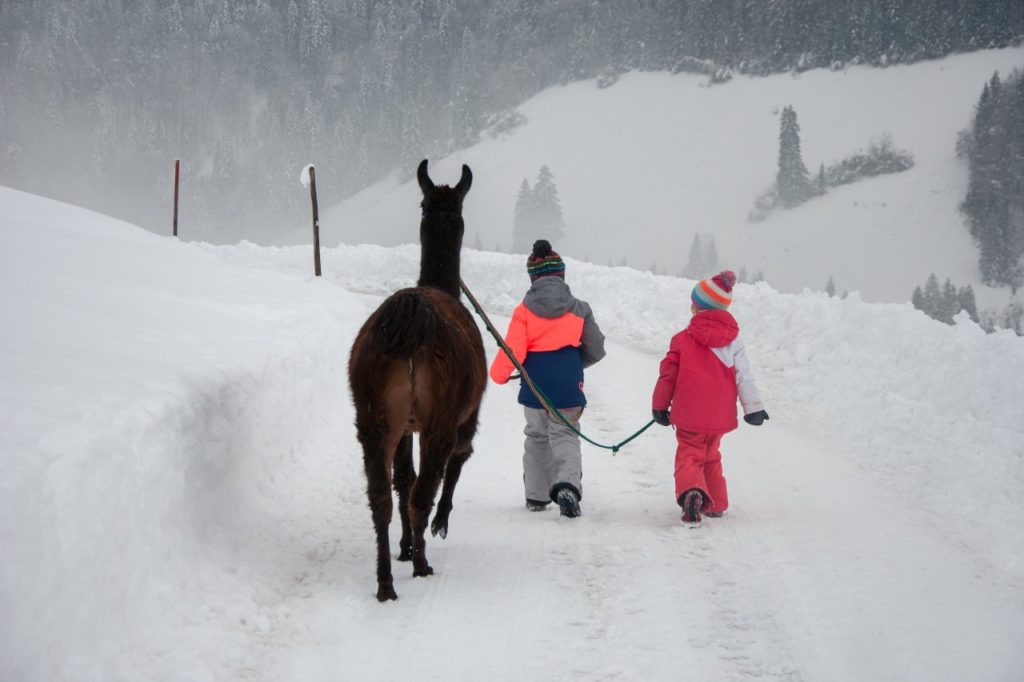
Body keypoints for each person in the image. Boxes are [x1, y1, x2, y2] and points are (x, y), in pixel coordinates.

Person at [490, 240, 606, 518]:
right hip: (568, 384)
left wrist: (499, 374)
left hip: (534, 385)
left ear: (532, 277)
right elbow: (597, 348)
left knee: (537, 437)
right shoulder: (580, 308)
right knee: (565, 433)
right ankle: (566, 485)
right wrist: (577, 362)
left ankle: (536, 497)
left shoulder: (524, 311)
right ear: (561, 275)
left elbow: (513, 350)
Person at [651, 270, 768, 525]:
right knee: (711, 453)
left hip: (689, 415)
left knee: (690, 454)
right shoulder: (734, 342)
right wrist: (753, 408)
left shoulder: (681, 340)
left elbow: (667, 376)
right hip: (719, 416)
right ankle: (715, 503)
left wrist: (659, 406)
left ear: (698, 308)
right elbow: (743, 377)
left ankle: (691, 492)